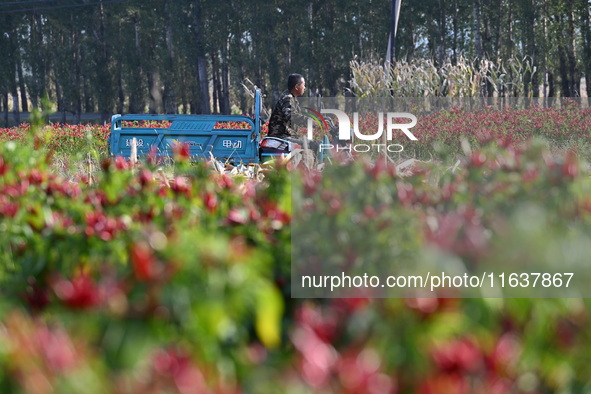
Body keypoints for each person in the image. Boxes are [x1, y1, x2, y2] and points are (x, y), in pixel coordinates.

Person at [267, 74, 319, 152]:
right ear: (296, 87)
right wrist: (311, 122)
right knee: (312, 144)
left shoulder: (292, 98)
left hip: (287, 135)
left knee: (313, 142)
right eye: (303, 85)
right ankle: (308, 164)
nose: (304, 88)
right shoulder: (287, 98)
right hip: (280, 136)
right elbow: (292, 116)